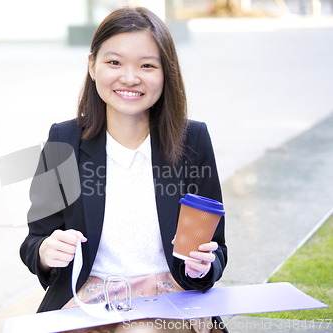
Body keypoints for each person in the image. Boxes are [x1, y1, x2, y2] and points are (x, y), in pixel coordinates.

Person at [20, 6, 227, 333]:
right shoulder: (64, 140)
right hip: (88, 299)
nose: (130, 78)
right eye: (114, 62)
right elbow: (35, 241)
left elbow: (216, 248)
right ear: (92, 65)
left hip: (167, 298)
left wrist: (202, 267)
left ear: (165, 72)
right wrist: (47, 251)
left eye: (147, 65)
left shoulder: (193, 140)